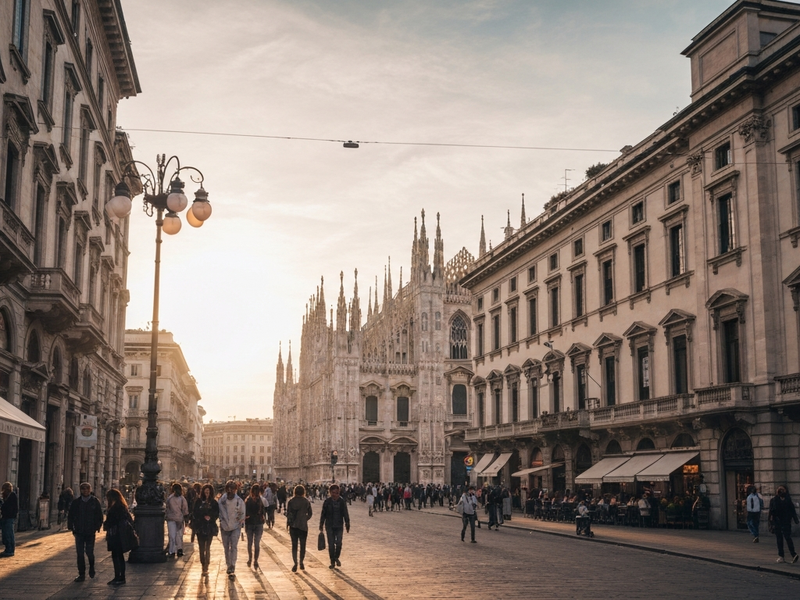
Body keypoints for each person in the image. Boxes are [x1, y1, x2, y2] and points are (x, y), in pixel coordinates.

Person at [67, 482, 103, 581]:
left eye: (87, 489)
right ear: (81, 490)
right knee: (80, 553)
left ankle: (91, 567)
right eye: (83, 489)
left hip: (90, 532)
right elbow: (71, 515)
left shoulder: (95, 502)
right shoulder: (76, 502)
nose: (85, 491)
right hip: (79, 531)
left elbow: (99, 516)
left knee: (89, 552)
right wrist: (71, 527)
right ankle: (81, 574)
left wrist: (97, 527)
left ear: (90, 490)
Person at [103, 489, 133, 586]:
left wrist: (106, 524)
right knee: (119, 556)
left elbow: (113, 521)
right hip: (120, 534)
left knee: (116, 556)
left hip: (116, 535)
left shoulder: (116, 507)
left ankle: (119, 577)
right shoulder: (122, 506)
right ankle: (120, 577)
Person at [319, 484, 350, 569]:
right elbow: (323, 514)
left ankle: (336, 557)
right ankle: (332, 561)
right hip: (329, 525)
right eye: (333, 493)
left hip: (339, 525)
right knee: (331, 544)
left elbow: (345, 513)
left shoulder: (342, 501)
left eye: (337, 493)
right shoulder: (327, 502)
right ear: (330, 492)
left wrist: (347, 523)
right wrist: (321, 524)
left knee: (339, 543)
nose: (335, 495)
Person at [218, 480, 246, 578]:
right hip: (224, 527)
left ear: (235, 490)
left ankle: (232, 564)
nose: (230, 491)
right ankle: (228, 564)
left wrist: (240, 521)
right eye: (228, 489)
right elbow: (219, 512)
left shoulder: (239, 501)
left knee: (233, 546)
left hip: (235, 527)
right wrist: (221, 521)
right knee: (226, 547)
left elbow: (242, 513)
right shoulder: (222, 501)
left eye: (232, 489)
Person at [192, 484, 219, 576]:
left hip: (210, 527)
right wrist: (203, 517)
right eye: (205, 491)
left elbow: (216, 513)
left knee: (208, 547)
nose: (207, 492)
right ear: (203, 492)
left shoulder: (214, 502)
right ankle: (202, 563)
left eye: (208, 491)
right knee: (201, 547)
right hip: (200, 526)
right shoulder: (199, 501)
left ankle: (206, 565)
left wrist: (211, 517)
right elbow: (195, 513)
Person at [768, 485, 799, 563]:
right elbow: (771, 513)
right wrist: (771, 523)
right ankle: (787, 555)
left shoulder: (783, 500)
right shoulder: (778, 500)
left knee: (784, 538)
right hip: (781, 522)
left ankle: (788, 555)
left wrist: (795, 520)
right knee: (783, 539)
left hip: (782, 522)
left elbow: (792, 511)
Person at [286, 484, 313, 572]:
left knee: (294, 546)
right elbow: (310, 513)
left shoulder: (291, 501)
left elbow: (288, 513)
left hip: (293, 526)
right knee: (302, 545)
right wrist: (305, 519)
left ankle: (295, 563)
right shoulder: (306, 501)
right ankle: (301, 561)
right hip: (303, 526)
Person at [244, 484, 266, 569]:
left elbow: (245, 512)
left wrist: (247, 517)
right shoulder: (261, 500)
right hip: (258, 524)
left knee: (250, 543)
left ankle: (250, 558)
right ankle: (255, 560)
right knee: (256, 543)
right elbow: (264, 512)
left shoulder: (248, 500)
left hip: (250, 523)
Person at [165, 483, 188, 558]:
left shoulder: (170, 498)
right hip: (179, 519)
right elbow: (185, 509)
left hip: (171, 519)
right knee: (179, 535)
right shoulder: (182, 498)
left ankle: (171, 551)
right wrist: (186, 518)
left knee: (172, 536)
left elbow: (167, 508)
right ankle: (179, 550)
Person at [0, 482, 18, 557]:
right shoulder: (7, 496)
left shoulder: (12, 496)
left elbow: (12, 507)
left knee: (9, 534)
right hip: (5, 517)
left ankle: (10, 550)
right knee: (5, 534)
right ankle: (8, 548)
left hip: (9, 517)